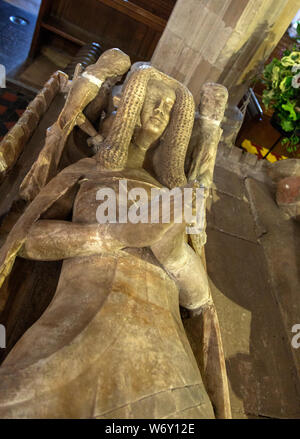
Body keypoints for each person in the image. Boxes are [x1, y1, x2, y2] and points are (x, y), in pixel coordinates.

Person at [0, 63, 228, 418]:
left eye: (167, 109)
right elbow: (25, 239)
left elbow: (199, 302)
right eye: (152, 101)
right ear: (122, 107)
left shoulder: (174, 192)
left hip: (164, 354)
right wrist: (113, 235)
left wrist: (173, 254)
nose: (158, 112)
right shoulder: (87, 172)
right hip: (73, 333)